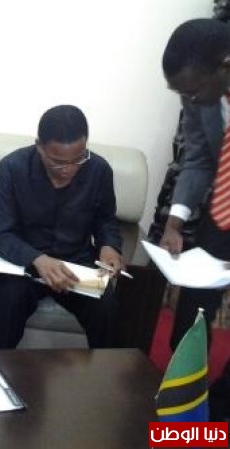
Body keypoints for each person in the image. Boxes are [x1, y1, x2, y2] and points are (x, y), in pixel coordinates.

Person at [0, 104, 125, 349]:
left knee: (108, 308)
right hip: (26, 266)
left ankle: (104, 372)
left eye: (78, 159)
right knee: (7, 304)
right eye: (58, 162)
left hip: (76, 264)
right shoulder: (11, 169)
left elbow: (106, 220)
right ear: (39, 147)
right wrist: (38, 259)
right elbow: (2, 234)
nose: (69, 169)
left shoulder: (99, 171)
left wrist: (109, 246)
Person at [160, 18, 230, 420]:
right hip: (223, 211)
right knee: (192, 313)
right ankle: (184, 405)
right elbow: (200, 157)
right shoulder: (198, 93)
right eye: (181, 92)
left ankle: (220, 414)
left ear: (225, 65)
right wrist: (175, 221)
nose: (189, 99)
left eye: (193, 90)